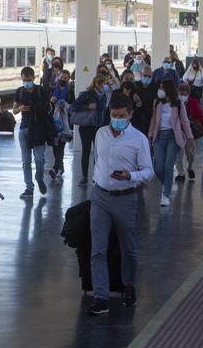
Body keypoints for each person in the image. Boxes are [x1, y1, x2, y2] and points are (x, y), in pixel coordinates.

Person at [86, 93, 153, 315]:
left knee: (129, 248)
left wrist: (130, 176)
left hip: (126, 199)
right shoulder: (101, 133)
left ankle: (129, 285)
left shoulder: (139, 140)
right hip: (100, 197)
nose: (117, 119)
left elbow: (148, 172)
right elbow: (97, 161)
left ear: (130, 115)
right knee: (97, 249)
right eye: (113, 115)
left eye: (121, 116)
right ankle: (101, 297)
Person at [148, 80, 194, 206]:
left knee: (168, 166)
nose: (160, 90)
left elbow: (184, 121)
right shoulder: (157, 103)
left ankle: (166, 195)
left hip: (173, 138)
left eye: (162, 88)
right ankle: (166, 184)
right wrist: (150, 135)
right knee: (158, 167)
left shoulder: (178, 104)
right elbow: (154, 119)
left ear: (168, 90)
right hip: (159, 137)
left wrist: (189, 137)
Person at [13, 67, 52, 199]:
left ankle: (39, 177)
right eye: (24, 80)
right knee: (26, 161)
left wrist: (37, 107)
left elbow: (49, 106)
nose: (26, 82)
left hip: (39, 129)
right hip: (24, 129)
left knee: (39, 159)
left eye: (28, 80)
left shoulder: (41, 91)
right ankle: (29, 187)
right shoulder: (19, 92)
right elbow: (14, 110)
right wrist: (21, 108)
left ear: (33, 78)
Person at [72, 75, 110, 186]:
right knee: (86, 151)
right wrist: (87, 107)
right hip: (86, 126)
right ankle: (84, 177)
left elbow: (103, 110)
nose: (106, 86)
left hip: (98, 126)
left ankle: (96, 176)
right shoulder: (86, 94)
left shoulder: (103, 95)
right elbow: (74, 106)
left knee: (98, 153)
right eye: (104, 84)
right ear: (98, 83)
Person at [175, 83, 203, 182]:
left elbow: (201, 116)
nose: (182, 96)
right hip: (179, 132)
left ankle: (189, 167)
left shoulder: (193, 103)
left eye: (184, 94)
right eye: (180, 94)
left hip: (190, 131)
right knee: (179, 154)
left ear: (188, 94)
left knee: (190, 153)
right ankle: (181, 173)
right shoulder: (175, 103)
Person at [49, 69, 75, 181]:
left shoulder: (70, 91)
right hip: (54, 121)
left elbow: (73, 106)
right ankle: (59, 167)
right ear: (57, 78)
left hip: (65, 123)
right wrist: (51, 101)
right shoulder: (52, 90)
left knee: (61, 145)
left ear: (68, 79)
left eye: (65, 78)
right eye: (61, 77)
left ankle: (57, 168)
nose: (63, 79)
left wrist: (64, 105)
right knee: (55, 145)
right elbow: (48, 105)